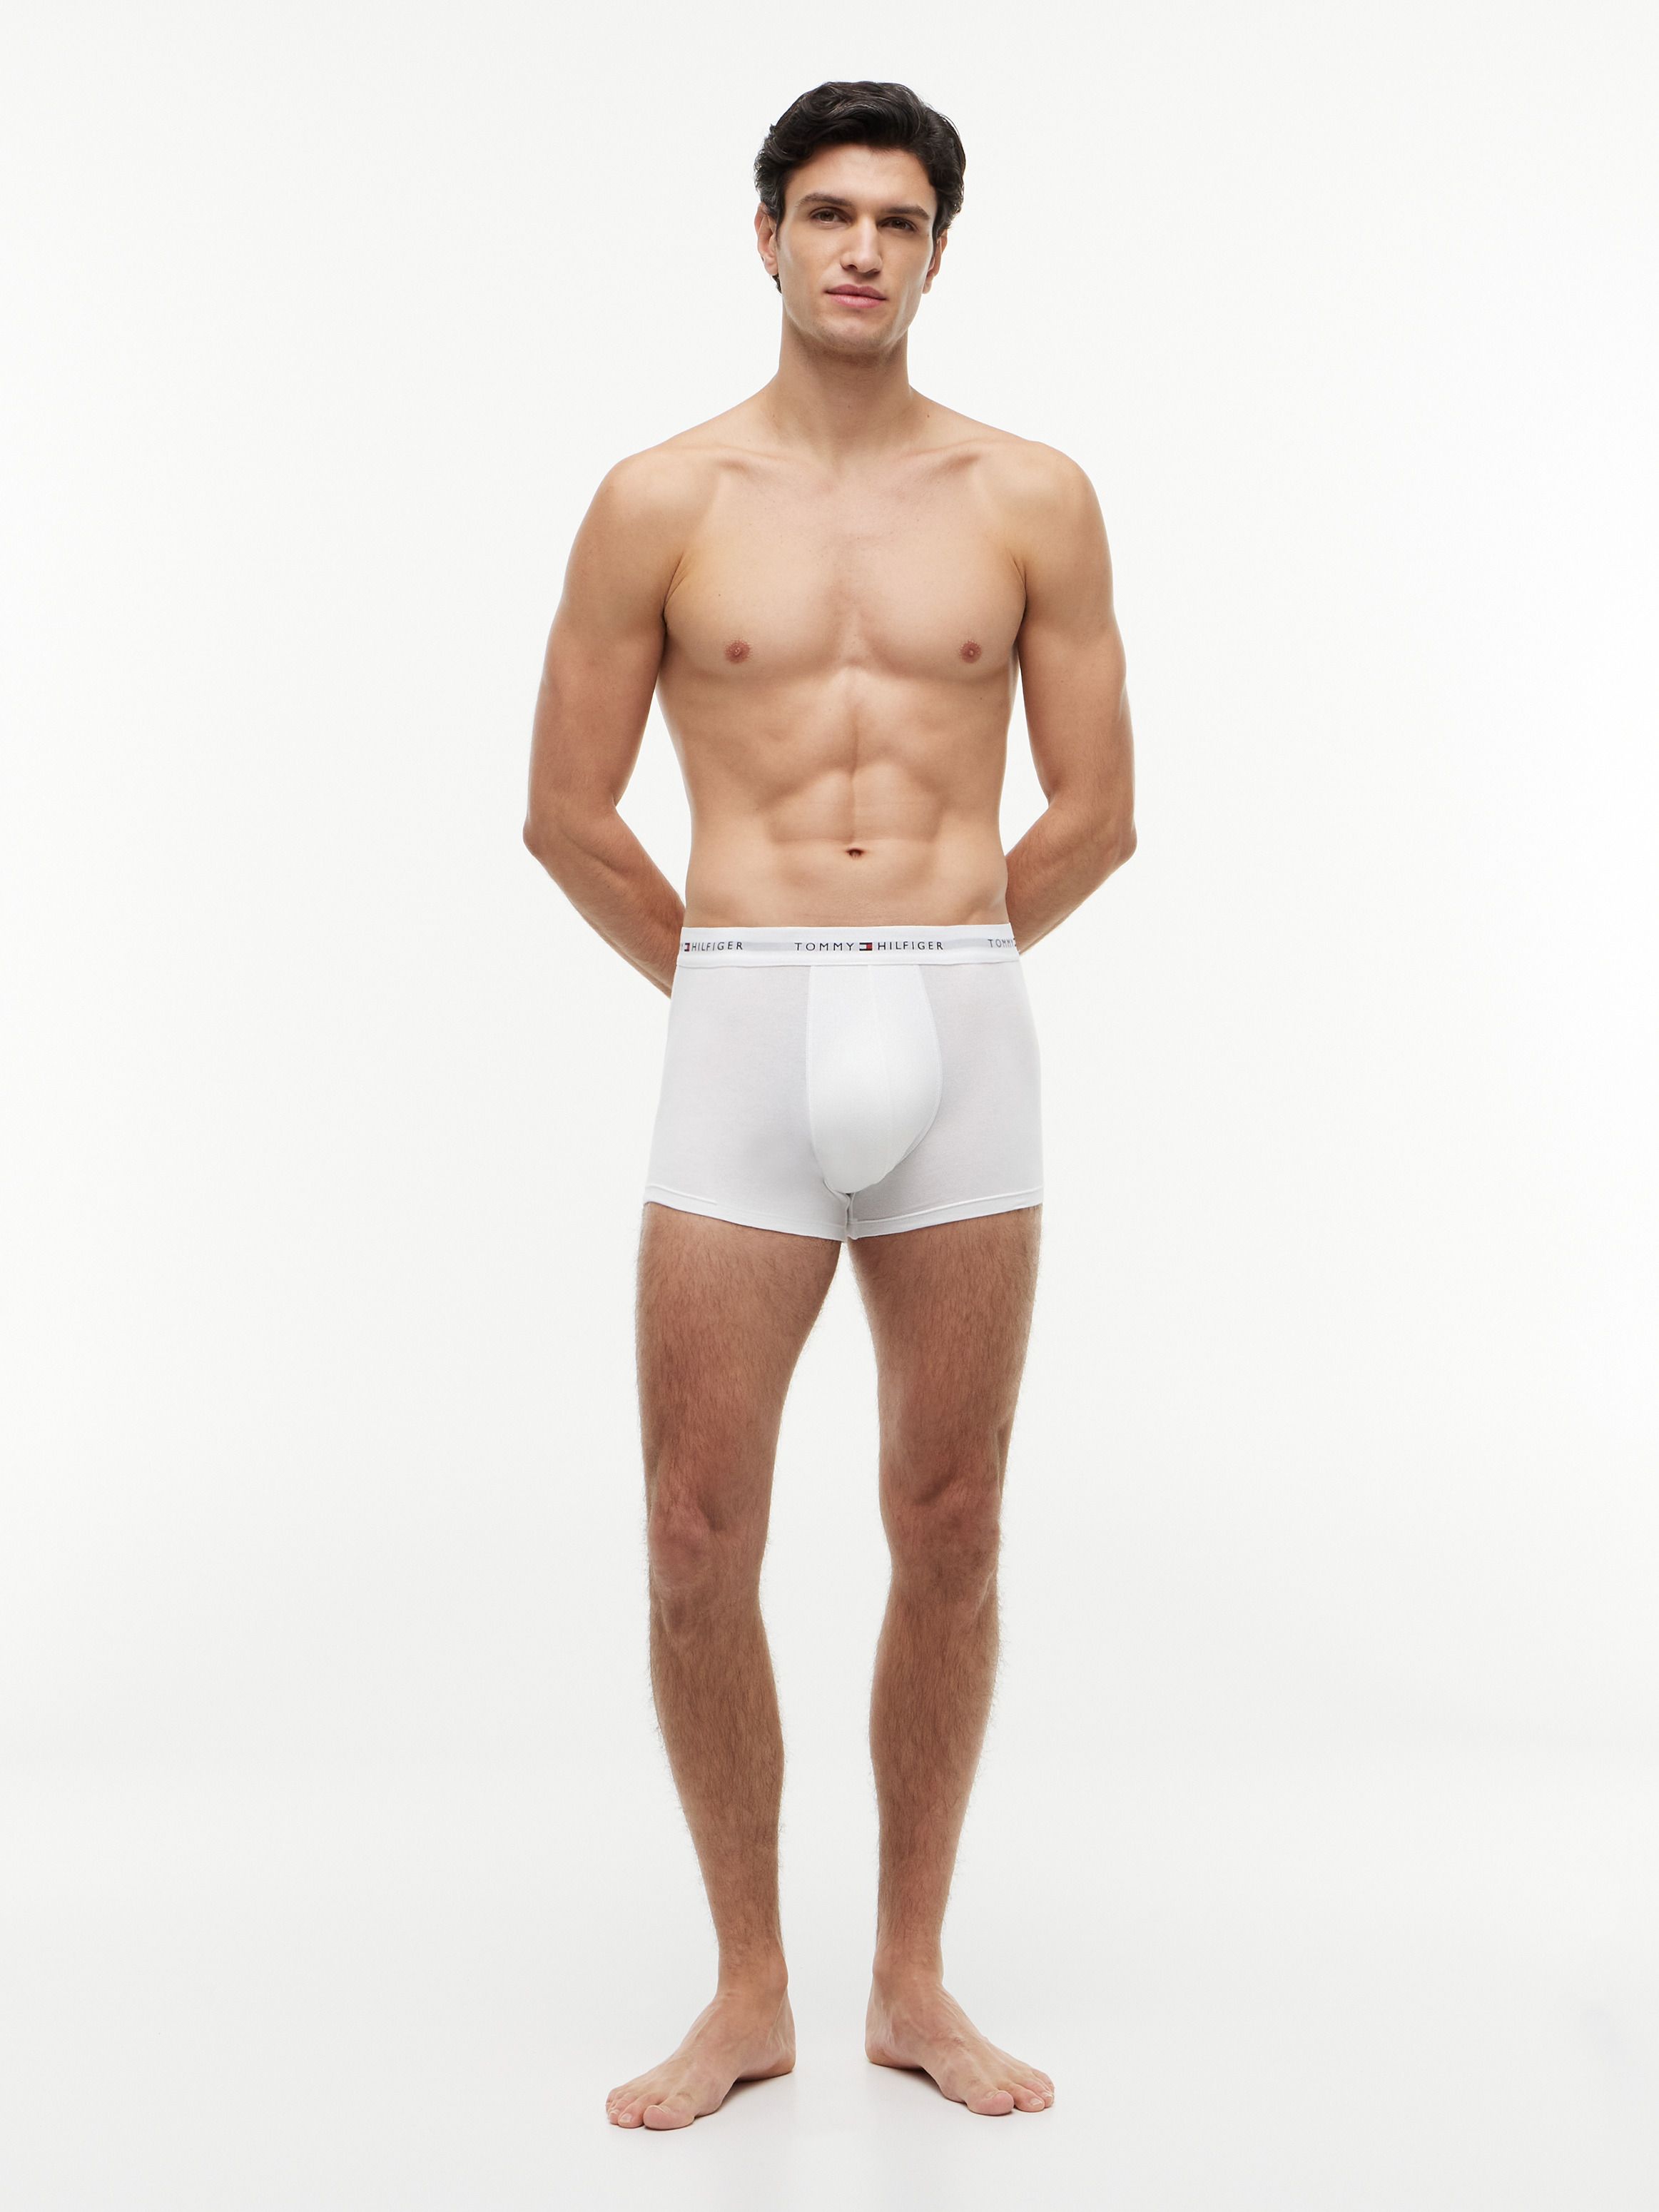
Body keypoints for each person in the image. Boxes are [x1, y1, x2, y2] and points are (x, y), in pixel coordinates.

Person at [523, 79, 1137, 2131]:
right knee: (695, 1529)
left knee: (949, 1523)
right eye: (826, 213)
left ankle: (912, 1979)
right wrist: (743, 991)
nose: (860, 247)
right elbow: (567, 811)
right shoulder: (660, 499)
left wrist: (934, 976)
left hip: (961, 1020)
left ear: (940, 252)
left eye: (898, 219)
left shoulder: (1032, 496)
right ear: (768, 237)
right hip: (742, 1023)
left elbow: (1100, 810)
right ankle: (747, 1990)